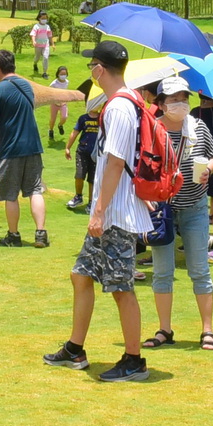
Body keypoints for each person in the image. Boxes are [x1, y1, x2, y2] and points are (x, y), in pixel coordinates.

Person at [43, 38, 156, 382]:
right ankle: (75, 349)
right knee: (81, 275)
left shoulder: (121, 106)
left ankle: (134, 359)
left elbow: (116, 163)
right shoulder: (127, 100)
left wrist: (99, 211)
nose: (91, 68)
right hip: (112, 212)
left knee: (121, 288)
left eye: (93, 64)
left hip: (116, 215)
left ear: (99, 69)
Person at [147, 76, 213, 351]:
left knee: (200, 270)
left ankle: (208, 331)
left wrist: (208, 170)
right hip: (162, 210)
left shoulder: (198, 127)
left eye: (184, 98)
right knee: (162, 272)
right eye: (174, 99)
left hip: (195, 206)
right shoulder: (153, 130)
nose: (181, 104)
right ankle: (164, 329)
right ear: (161, 104)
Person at [0, 49, 50, 249]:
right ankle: (40, 234)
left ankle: (13, 235)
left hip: (10, 149)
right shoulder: (27, 86)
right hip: (32, 146)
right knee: (35, 190)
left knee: (10, 194)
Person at [67, 92, 101, 210]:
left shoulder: (103, 118)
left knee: (92, 179)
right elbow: (74, 133)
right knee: (79, 175)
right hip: (82, 151)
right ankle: (78, 196)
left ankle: (91, 202)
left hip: (96, 153)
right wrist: (67, 148)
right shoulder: (83, 118)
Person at [47, 64, 72, 145]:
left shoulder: (67, 82)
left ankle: (60, 125)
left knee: (64, 117)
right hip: (54, 104)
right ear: (58, 74)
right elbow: (49, 93)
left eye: (64, 74)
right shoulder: (54, 84)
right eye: (61, 74)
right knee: (52, 119)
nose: (63, 76)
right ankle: (51, 130)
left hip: (63, 103)